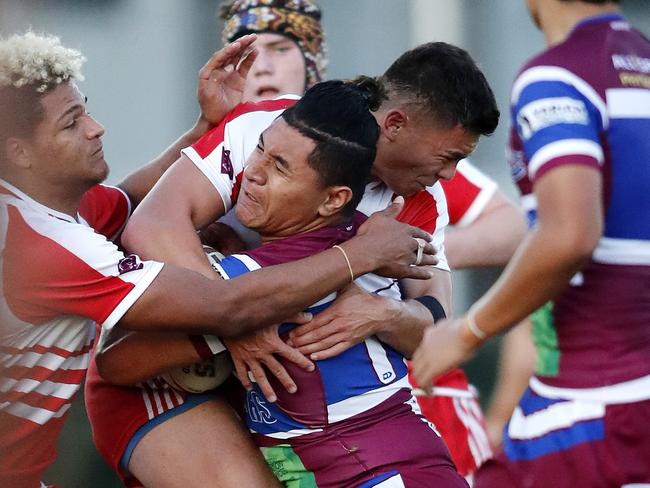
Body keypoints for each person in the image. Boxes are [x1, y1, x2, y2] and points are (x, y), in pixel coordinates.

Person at [0, 31, 433, 488]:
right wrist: (359, 255)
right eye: (72, 122)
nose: (95, 126)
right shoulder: (40, 243)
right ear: (19, 152)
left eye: (85, 107)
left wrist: (205, 129)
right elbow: (222, 306)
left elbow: (128, 200)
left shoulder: (44, 210)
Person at [86, 40, 499, 487]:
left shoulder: (417, 201)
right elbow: (150, 228)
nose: (450, 176)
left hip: (292, 410)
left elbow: (434, 329)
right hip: (169, 373)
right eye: (449, 156)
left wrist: (385, 313)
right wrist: (237, 318)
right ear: (396, 124)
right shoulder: (277, 130)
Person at [213, 0, 528, 479]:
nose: (264, 70)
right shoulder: (251, 136)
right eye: (248, 56)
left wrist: (387, 300)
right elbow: (151, 235)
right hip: (286, 428)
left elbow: (441, 310)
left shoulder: (420, 182)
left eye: (280, 48)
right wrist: (231, 315)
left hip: (402, 415)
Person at [412, 1, 650, 486]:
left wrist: (465, 333)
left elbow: (568, 236)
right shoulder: (641, 60)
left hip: (597, 401)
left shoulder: (556, 78)